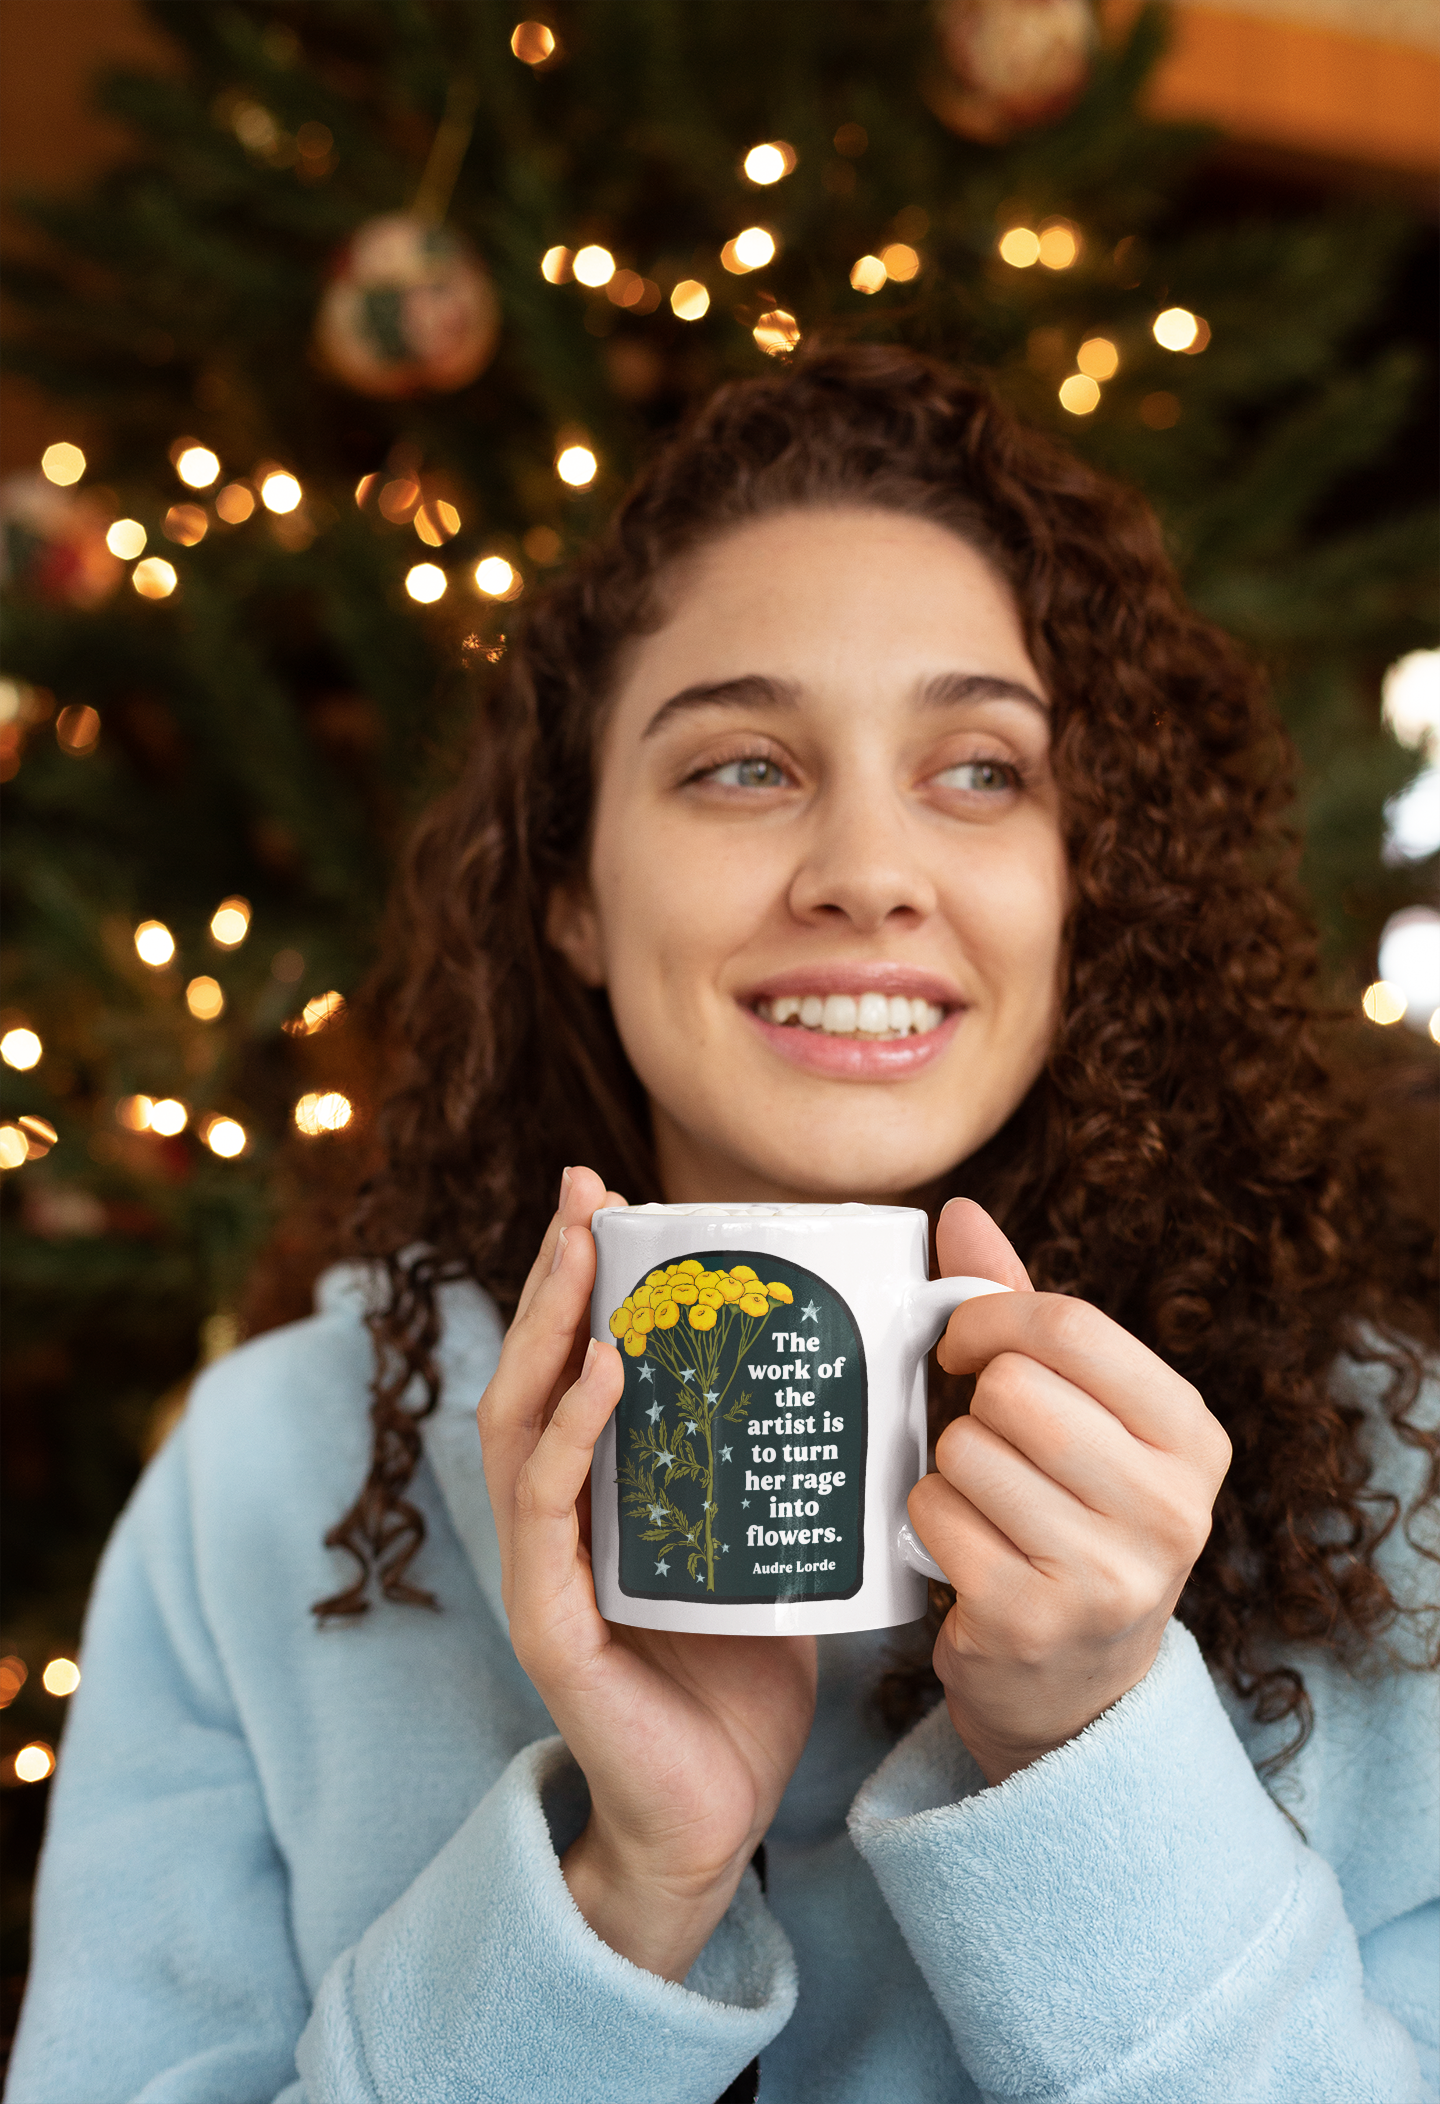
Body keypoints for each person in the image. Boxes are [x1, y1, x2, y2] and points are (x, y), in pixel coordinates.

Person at [8, 346, 1436, 2104]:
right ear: (573, 898)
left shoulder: (1386, 1476)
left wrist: (1091, 1752)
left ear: (1095, 882)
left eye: (983, 770)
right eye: (743, 767)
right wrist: (626, 1889)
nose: (864, 866)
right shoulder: (283, 1472)